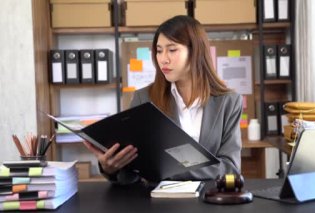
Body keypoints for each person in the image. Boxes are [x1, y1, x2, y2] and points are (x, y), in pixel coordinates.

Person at [84, 15, 243, 185]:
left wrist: (165, 171)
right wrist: (110, 169)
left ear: (196, 51)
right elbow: (131, 174)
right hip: (158, 203)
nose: (163, 59)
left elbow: (230, 168)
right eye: (159, 50)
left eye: (172, 50)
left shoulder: (228, 102)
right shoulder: (143, 98)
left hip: (209, 202)